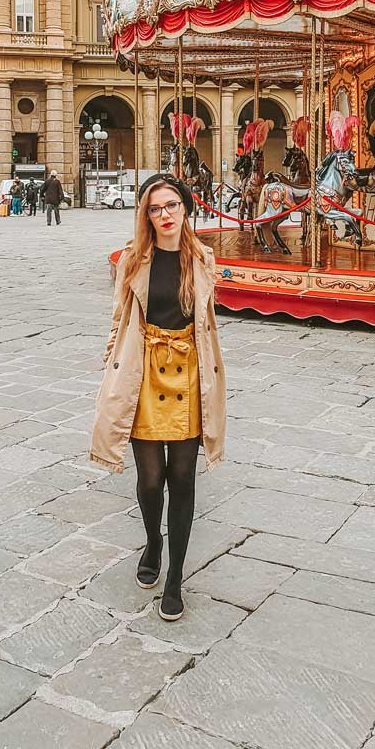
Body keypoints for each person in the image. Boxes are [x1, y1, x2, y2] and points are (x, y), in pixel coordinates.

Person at [89, 174, 226, 622]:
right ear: (145, 215)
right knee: (151, 479)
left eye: (171, 206)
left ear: (186, 209)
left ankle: (175, 579)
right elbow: (117, 320)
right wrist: (110, 368)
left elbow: (206, 325)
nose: (164, 215)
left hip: (188, 374)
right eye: (155, 208)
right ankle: (153, 540)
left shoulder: (202, 259)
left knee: (183, 477)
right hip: (144, 373)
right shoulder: (133, 259)